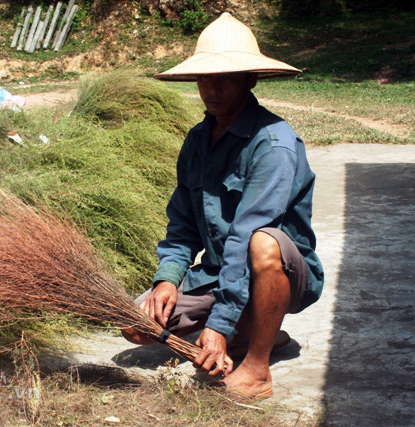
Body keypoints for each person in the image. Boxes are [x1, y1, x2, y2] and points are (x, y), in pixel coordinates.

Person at [121, 12, 324, 399]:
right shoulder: (198, 140)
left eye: (225, 78)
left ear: (250, 80)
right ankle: (252, 329)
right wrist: (167, 279)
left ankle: (257, 365)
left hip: (279, 273)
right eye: (204, 78)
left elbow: (247, 234)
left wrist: (218, 326)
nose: (212, 88)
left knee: (262, 243)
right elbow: (182, 223)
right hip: (217, 276)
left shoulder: (273, 144)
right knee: (135, 326)